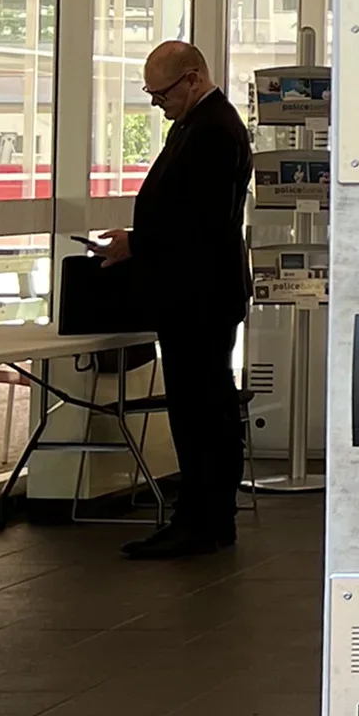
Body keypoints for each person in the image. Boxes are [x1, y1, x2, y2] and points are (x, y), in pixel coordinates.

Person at [93, 39, 254, 559]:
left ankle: (203, 519)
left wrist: (137, 243)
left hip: (200, 292)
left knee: (201, 407)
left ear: (193, 78)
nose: (158, 103)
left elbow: (199, 220)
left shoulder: (212, 130)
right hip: (196, 288)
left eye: (161, 92)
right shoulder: (198, 124)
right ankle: (203, 516)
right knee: (199, 404)